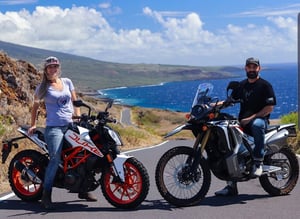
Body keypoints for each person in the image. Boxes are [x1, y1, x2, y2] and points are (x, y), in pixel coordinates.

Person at [28, 56, 97, 210]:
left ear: (59, 68)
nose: (53, 69)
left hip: (71, 125)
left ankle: (83, 190)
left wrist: (78, 118)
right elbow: (35, 108)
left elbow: (75, 102)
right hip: (54, 128)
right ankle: (46, 195)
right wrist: (33, 125)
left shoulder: (67, 82)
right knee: (55, 159)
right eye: (50, 67)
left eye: (55, 66)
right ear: (45, 70)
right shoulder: (42, 87)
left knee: (83, 154)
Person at [215, 57, 276, 196]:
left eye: (254, 67)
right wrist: (212, 106)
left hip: (259, 121)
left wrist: (251, 118)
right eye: (249, 67)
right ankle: (231, 186)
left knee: (256, 124)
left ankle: (258, 162)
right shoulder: (242, 85)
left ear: (259, 68)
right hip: (243, 122)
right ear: (245, 69)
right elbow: (229, 101)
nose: (252, 69)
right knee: (228, 147)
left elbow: (270, 107)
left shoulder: (265, 85)